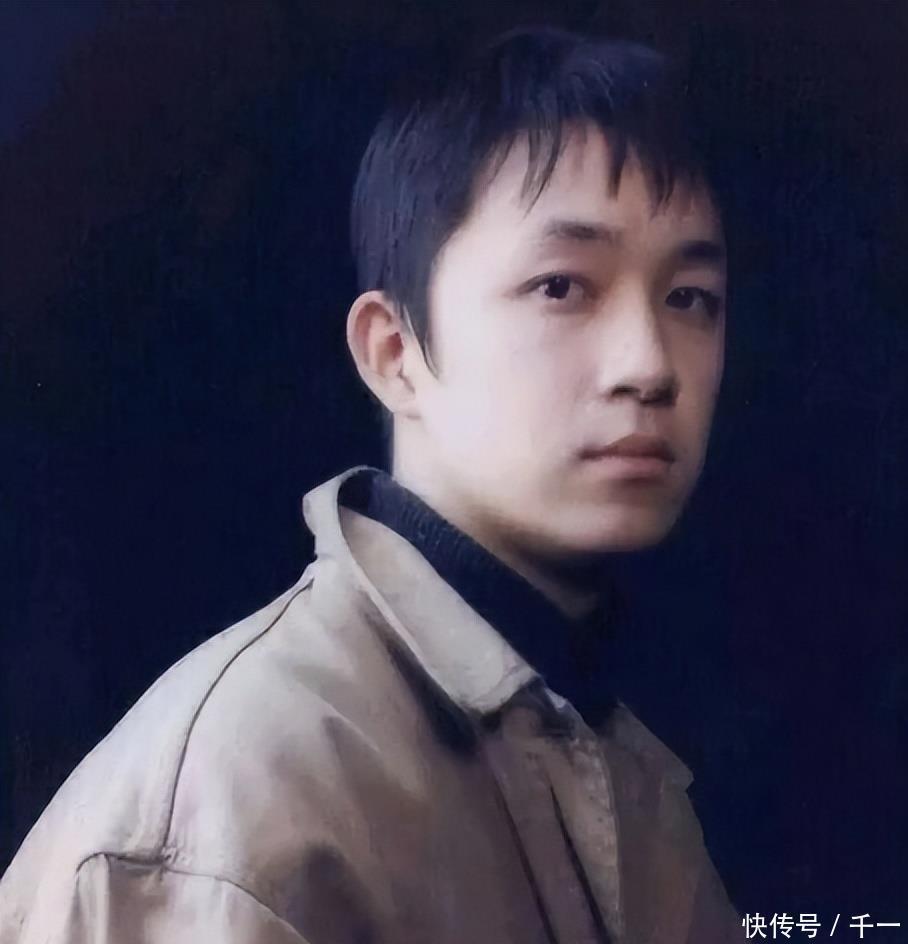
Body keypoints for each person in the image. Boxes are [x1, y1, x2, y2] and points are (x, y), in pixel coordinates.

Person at [0, 25, 742, 943]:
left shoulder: (628, 778)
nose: (649, 365)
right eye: (562, 286)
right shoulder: (239, 804)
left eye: (689, 298)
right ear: (394, 354)